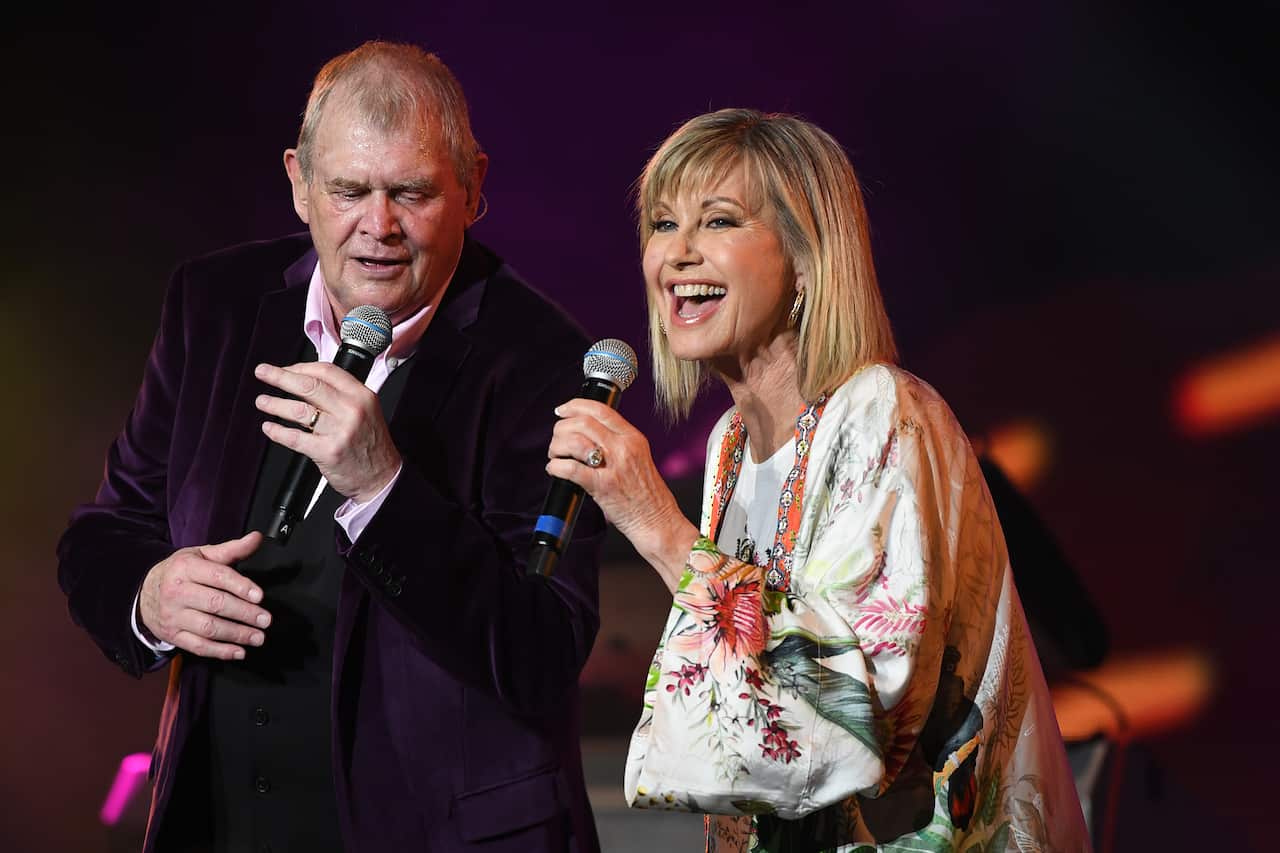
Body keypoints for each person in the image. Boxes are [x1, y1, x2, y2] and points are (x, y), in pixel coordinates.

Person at [57, 41, 604, 853]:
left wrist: (383, 484)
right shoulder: (213, 304)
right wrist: (148, 596)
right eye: (349, 190)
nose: (377, 226)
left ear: (473, 187)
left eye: (411, 193)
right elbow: (102, 534)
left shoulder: (545, 359)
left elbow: (541, 648)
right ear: (298, 182)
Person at [547, 109, 1090, 851]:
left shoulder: (885, 415)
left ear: (807, 257)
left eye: (719, 221)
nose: (677, 254)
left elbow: (856, 722)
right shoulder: (730, 445)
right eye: (663, 224)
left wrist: (658, 528)